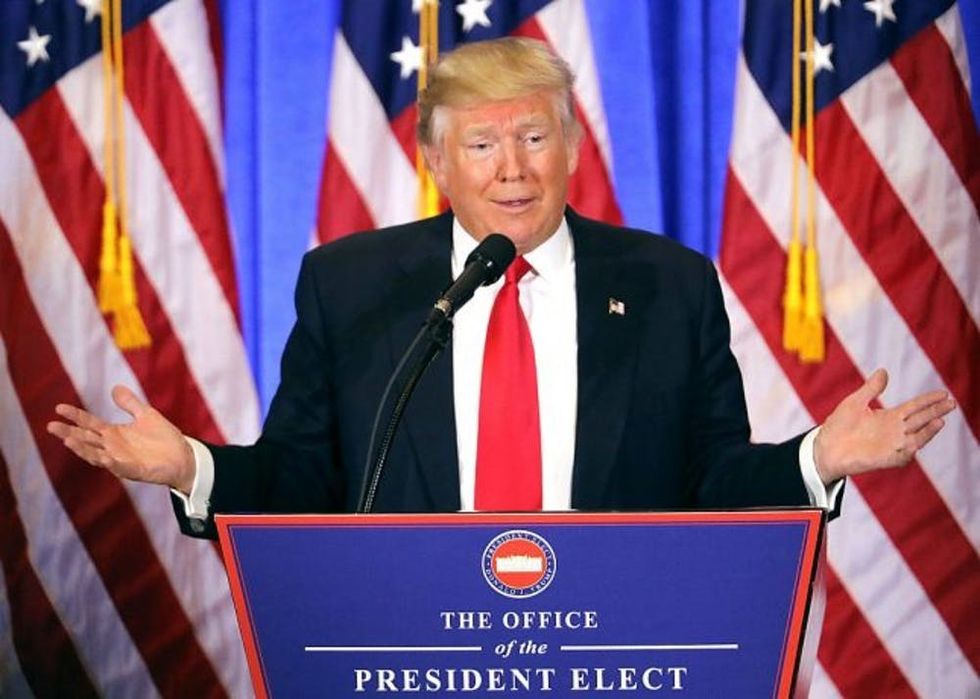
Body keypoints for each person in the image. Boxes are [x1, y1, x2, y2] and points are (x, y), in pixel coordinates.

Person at [47, 38, 954, 540]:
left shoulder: (669, 285)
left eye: (532, 138)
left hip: (616, 656)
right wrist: (191, 467)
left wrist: (816, 459)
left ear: (569, 149)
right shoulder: (350, 284)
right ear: (438, 161)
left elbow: (708, 479)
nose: (511, 170)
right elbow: (301, 479)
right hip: (411, 656)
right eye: (481, 145)